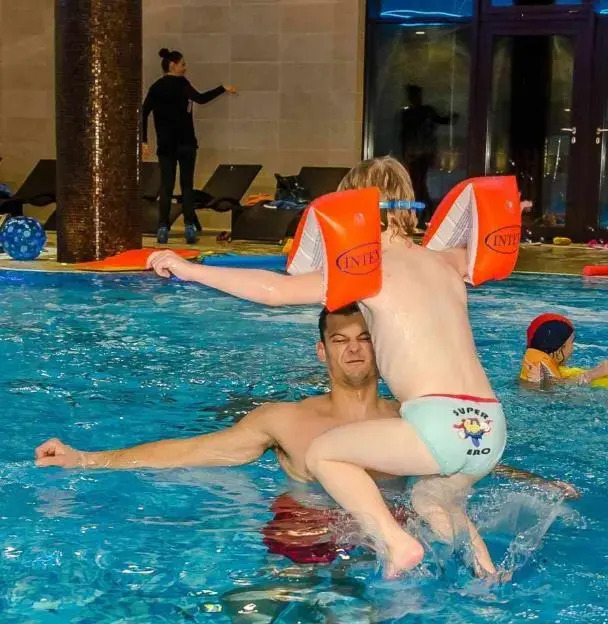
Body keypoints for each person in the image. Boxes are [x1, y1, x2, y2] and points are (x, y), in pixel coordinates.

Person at [144, 156, 520, 578]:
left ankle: (397, 545)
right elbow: (483, 246)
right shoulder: (447, 261)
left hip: (436, 421)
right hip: (489, 428)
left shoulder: (368, 270)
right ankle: (488, 577)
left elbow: (274, 290)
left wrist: (190, 270)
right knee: (432, 500)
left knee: (325, 454)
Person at [35, 305, 578, 562]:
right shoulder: (284, 419)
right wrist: (88, 459)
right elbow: (194, 451)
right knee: (270, 622)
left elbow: (460, 454)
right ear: (322, 351)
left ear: (382, 347)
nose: (354, 349)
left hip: (394, 531)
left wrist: (533, 481)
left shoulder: (410, 417)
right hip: (305, 530)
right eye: (340, 340)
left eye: (365, 338)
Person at [142, 48, 237, 245]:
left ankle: (163, 227)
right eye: (183, 64)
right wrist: (222, 88)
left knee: (166, 186)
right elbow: (201, 98)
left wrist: (144, 140)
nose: (185, 68)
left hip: (166, 145)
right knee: (186, 186)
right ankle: (189, 227)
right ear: (172, 65)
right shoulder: (182, 84)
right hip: (186, 143)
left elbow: (143, 113)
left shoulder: (156, 87)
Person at [399, 84, 455, 219]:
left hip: (419, 154)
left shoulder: (419, 113)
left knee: (418, 184)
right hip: (417, 154)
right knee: (418, 184)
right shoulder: (414, 114)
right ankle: (426, 211)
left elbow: (405, 136)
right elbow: (405, 135)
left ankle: (424, 211)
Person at [519, 313, 608, 385]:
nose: (572, 349)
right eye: (571, 343)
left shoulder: (535, 359)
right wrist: (595, 373)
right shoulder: (540, 366)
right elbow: (553, 389)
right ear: (560, 347)